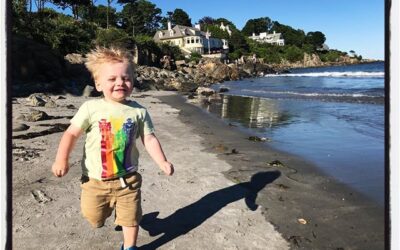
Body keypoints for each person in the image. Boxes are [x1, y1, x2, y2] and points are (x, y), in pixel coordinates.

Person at [51, 46, 174, 250]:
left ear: (133, 82)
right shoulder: (90, 108)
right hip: (94, 181)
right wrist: (61, 160)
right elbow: (71, 134)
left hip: (128, 180)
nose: (120, 83)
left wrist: (162, 161)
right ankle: (109, 214)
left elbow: (149, 139)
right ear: (98, 84)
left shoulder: (139, 112)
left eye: (126, 78)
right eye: (112, 79)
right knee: (94, 218)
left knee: (131, 218)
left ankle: (129, 245)